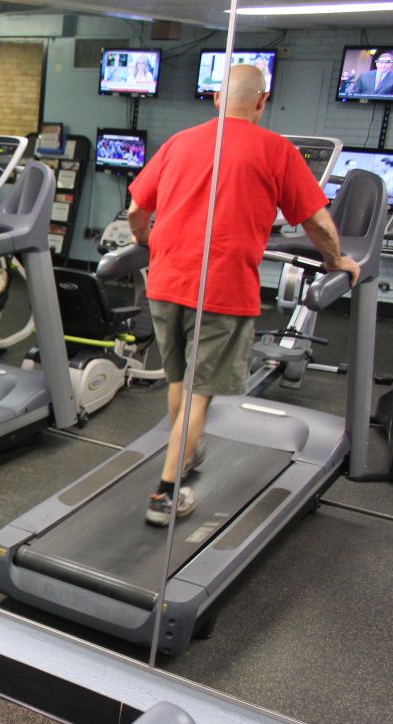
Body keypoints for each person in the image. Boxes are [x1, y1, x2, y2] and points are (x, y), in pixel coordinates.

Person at [127, 64, 360, 526]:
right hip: (222, 285)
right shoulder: (276, 150)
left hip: (166, 279)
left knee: (179, 379)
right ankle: (166, 493)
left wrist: (146, 241)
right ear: (262, 100)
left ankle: (185, 453)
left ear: (216, 99)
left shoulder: (179, 142)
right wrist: (338, 261)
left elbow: (137, 209)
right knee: (199, 392)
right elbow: (316, 221)